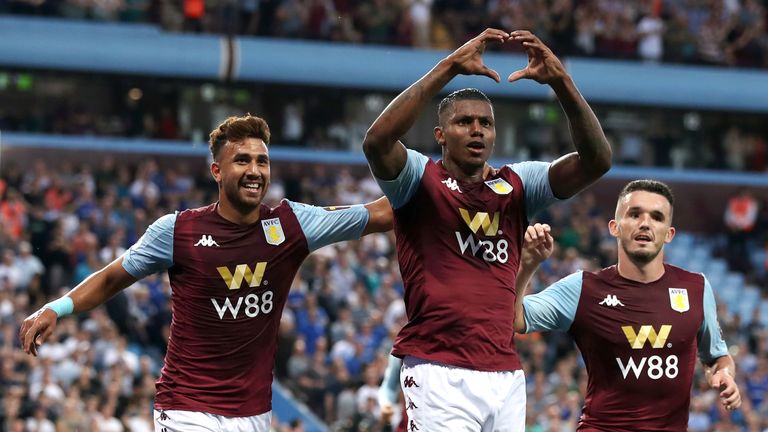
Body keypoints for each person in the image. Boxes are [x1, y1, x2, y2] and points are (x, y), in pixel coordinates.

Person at [19, 114, 393, 432]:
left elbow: (380, 213)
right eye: (242, 160)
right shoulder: (178, 230)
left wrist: (444, 179)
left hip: (254, 413)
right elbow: (111, 277)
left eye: (262, 162)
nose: (254, 171)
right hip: (187, 406)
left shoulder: (292, 224)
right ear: (217, 170)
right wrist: (58, 307)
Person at [362, 28, 612, 430]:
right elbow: (376, 142)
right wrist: (447, 68)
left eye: (485, 123)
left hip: (505, 373)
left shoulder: (517, 186)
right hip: (436, 369)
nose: (477, 129)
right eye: (464, 122)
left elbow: (596, 161)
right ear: (440, 135)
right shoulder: (417, 180)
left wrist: (562, 83)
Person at [515, 180, 742, 431]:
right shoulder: (584, 288)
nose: (645, 223)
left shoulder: (696, 288)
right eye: (634, 214)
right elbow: (515, 318)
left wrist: (724, 374)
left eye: (656, 217)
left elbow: (717, 357)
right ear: (614, 227)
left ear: (669, 233)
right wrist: (526, 267)